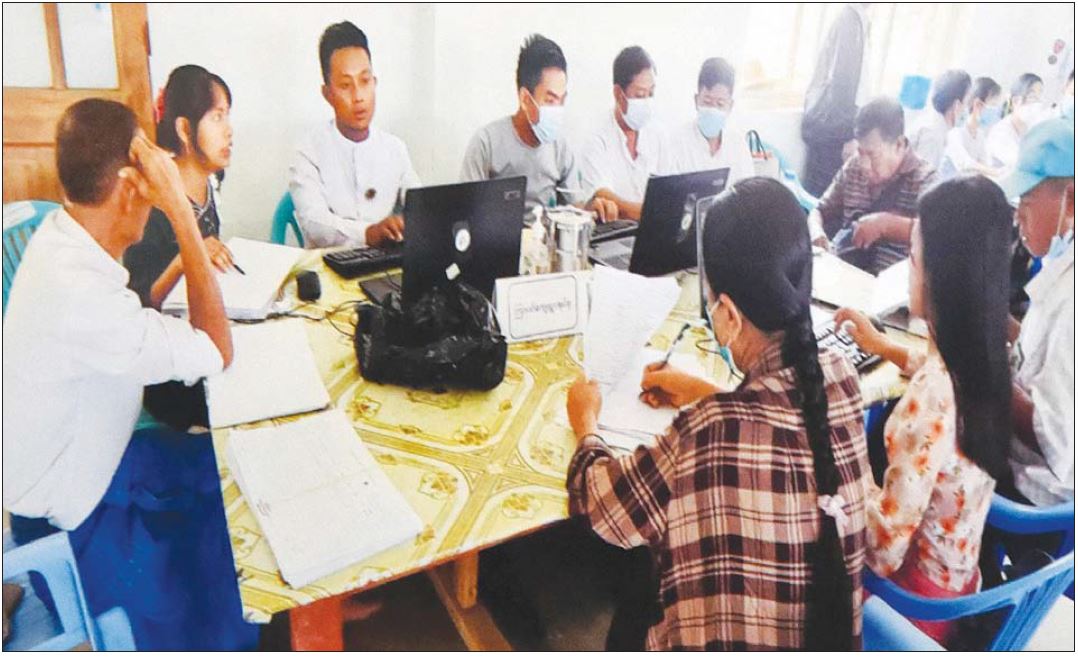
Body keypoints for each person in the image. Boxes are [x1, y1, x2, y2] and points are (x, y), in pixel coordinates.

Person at [565, 177, 871, 650]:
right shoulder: (839, 375)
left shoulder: (711, 430)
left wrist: (586, 422)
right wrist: (703, 391)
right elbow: (780, 423)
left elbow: (603, 506)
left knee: (637, 585)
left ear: (727, 313)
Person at [3, 99, 256, 650]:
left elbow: (135, 314)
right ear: (128, 185)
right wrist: (180, 210)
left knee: (241, 475)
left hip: (105, 461)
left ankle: (305, 596)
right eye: (151, 170)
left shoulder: (65, 234)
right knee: (213, 608)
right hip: (74, 520)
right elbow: (217, 350)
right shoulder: (80, 295)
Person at [834, 175, 1014, 647]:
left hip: (910, 612)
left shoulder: (933, 395)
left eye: (912, 258)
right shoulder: (988, 356)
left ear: (939, 277)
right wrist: (882, 345)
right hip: (959, 590)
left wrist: (846, 460)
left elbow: (882, 550)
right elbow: (939, 375)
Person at [123, 65, 234, 431]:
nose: (229, 130)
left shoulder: (210, 182)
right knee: (243, 390)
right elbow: (143, 304)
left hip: (200, 333)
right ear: (185, 129)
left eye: (227, 116)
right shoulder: (154, 204)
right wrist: (189, 256)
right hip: (169, 369)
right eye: (217, 117)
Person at [290, 21, 420, 248]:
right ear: (327, 94)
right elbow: (314, 224)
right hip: (327, 263)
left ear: (374, 83)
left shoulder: (395, 148)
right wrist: (368, 233)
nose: (358, 96)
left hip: (384, 264)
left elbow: (420, 205)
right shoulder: (308, 151)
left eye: (365, 81)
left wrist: (408, 222)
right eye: (345, 85)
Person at [460, 34, 618, 220]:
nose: (557, 110)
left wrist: (593, 209)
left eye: (562, 100)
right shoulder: (486, 143)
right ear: (525, 99)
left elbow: (575, 208)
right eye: (550, 100)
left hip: (547, 235)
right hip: (498, 237)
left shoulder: (560, 148)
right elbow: (466, 213)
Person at [1002, 118, 1074, 509]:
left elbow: (1053, 435)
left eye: (1027, 205)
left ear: (1071, 201)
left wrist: (984, 373)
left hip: (1037, 497)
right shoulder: (1061, 266)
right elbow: (1040, 356)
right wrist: (999, 324)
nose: (1019, 218)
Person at [808, 96, 936, 275]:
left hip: (891, 287)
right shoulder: (853, 166)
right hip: (843, 274)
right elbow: (819, 210)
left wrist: (885, 225)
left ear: (899, 144)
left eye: (872, 155)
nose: (864, 164)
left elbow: (936, 235)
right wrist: (816, 232)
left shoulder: (926, 179)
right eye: (860, 152)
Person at [581, 46, 666, 220]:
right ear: (618, 94)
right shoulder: (596, 137)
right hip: (614, 232)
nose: (647, 102)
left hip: (655, 230)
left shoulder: (658, 134)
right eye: (640, 95)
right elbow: (604, 198)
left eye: (651, 93)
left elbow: (670, 191)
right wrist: (653, 213)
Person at [801, 2, 872, 197]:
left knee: (820, 197)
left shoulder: (855, 18)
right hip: (833, 131)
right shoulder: (850, 20)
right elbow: (843, 81)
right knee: (821, 199)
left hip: (829, 127)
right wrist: (848, 135)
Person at [664, 57, 753, 183]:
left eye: (720, 104)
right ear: (696, 100)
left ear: (730, 106)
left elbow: (748, 191)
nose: (713, 109)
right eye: (707, 102)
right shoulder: (676, 143)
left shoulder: (737, 145)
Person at [939, 76, 1005, 180]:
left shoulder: (980, 135)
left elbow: (984, 163)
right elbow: (965, 163)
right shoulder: (955, 132)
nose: (996, 112)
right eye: (993, 105)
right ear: (978, 104)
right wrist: (995, 172)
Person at [909, 69, 972, 170]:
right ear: (957, 105)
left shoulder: (935, 122)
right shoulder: (934, 133)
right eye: (967, 102)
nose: (967, 109)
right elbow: (923, 177)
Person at [987, 73, 1047, 170]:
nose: (1038, 104)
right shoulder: (1000, 133)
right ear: (1016, 101)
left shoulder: (1031, 128)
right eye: (1032, 97)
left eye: (1040, 97)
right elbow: (1023, 164)